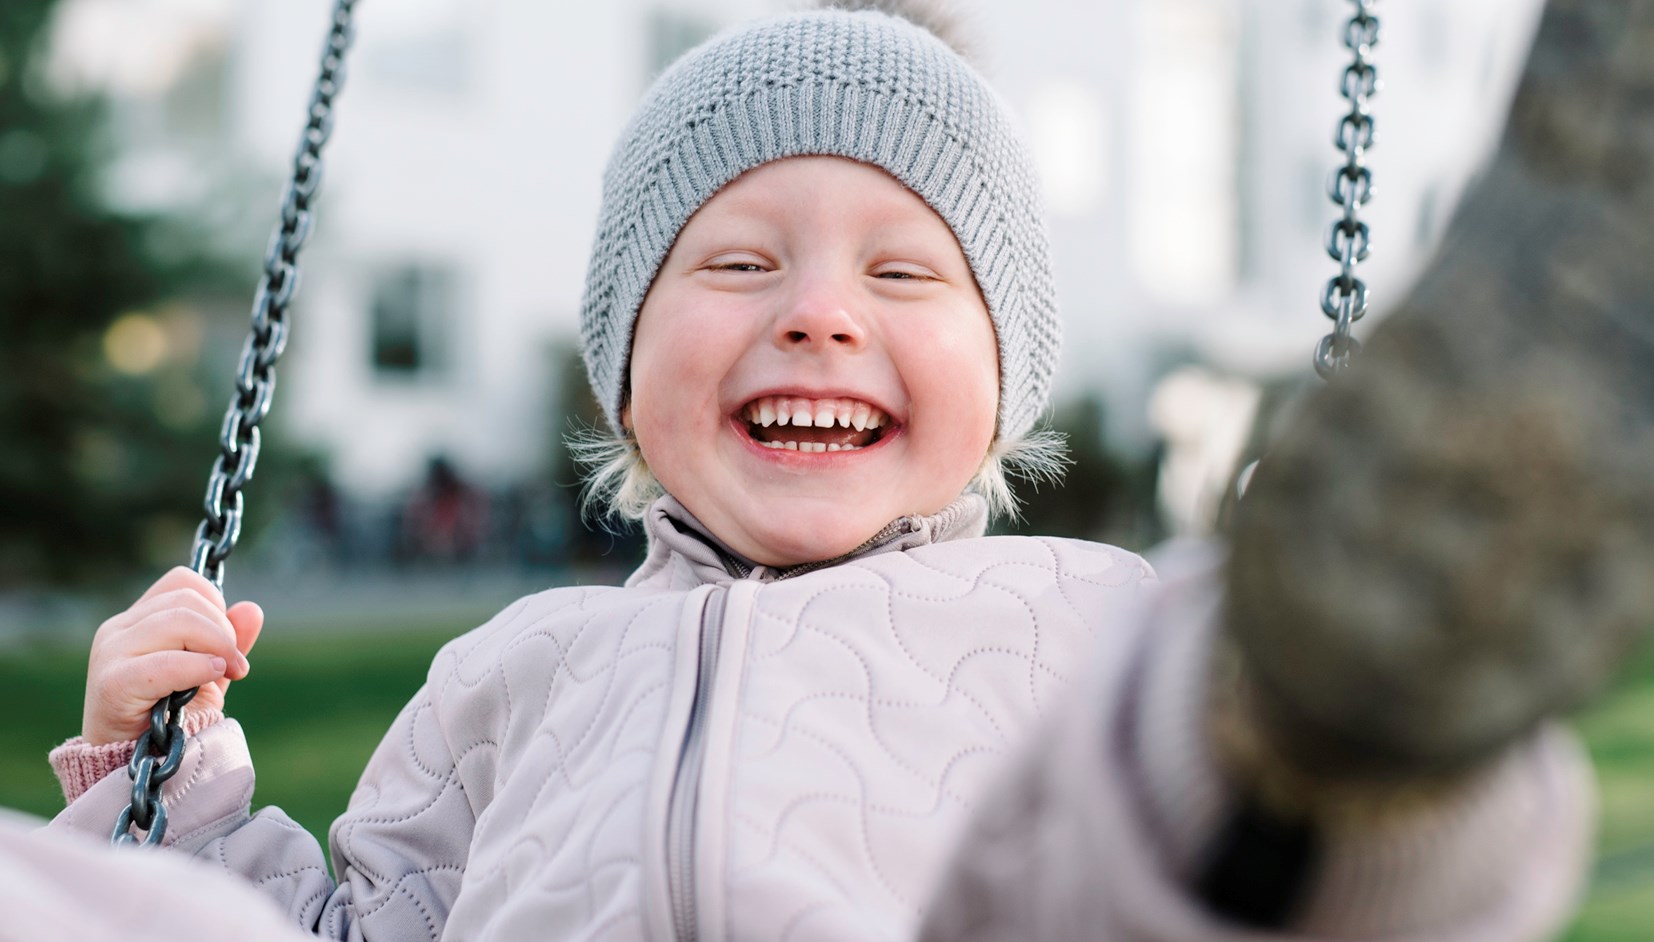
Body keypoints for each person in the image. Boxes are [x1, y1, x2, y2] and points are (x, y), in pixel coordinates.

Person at [42, 2, 1650, 939]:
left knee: (1183, 810)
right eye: (735, 264)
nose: (815, 312)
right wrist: (161, 789)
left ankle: (1368, 691)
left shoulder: (1078, 611)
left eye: (900, 277)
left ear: (1004, 372)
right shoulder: (510, 669)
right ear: (623, 358)